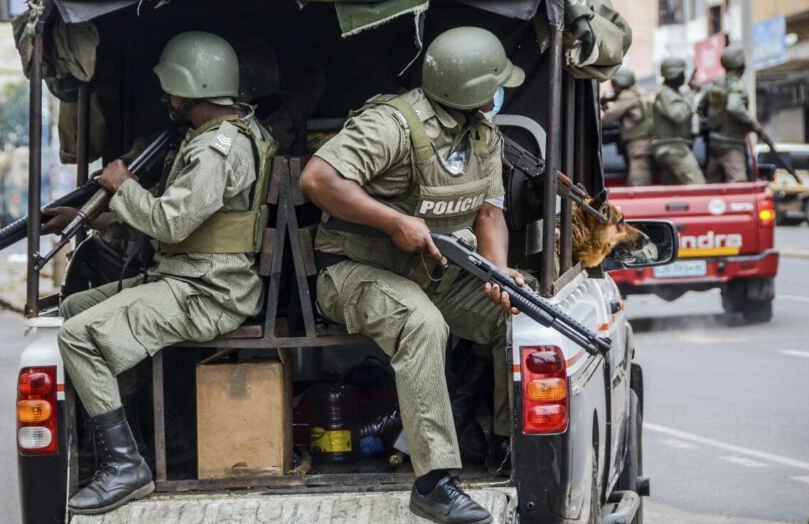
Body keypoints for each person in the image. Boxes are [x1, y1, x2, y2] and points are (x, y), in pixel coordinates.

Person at [300, 26, 524, 524]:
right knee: (422, 323)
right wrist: (392, 221)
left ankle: (507, 446)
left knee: (514, 316)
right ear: (470, 90)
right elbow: (317, 178)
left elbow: (489, 213)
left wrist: (498, 273)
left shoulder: (483, 134)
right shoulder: (393, 126)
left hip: (431, 274)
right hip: (352, 273)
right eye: (493, 85)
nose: (498, 93)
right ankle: (433, 483)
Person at [47, 31, 275, 515]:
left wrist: (123, 185)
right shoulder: (223, 134)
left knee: (77, 338)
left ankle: (126, 465)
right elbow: (179, 219)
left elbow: (171, 222)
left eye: (171, 86)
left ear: (191, 88)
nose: (167, 96)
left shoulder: (217, 149)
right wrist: (92, 218)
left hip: (208, 292)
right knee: (74, 307)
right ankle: (150, 438)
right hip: (189, 277)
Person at [700, 44, 760, 183]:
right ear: (741, 66)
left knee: (713, 185)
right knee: (739, 184)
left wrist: (711, 124)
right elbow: (734, 107)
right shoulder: (737, 85)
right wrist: (754, 125)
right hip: (732, 145)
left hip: (714, 144)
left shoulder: (716, 84)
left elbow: (701, 107)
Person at [652, 58, 705, 185]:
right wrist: (691, 96)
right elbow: (678, 115)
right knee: (698, 186)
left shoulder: (671, 93)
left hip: (671, 147)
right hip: (673, 149)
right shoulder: (667, 94)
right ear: (674, 74)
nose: (684, 77)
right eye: (682, 74)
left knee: (674, 189)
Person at [602, 68, 654, 186]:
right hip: (644, 142)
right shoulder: (638, 92)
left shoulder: (627, 96)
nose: (613, 87)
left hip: (638, 145)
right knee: (636, 180)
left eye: (614, 84)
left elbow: (608, 119)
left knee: (639, 182)